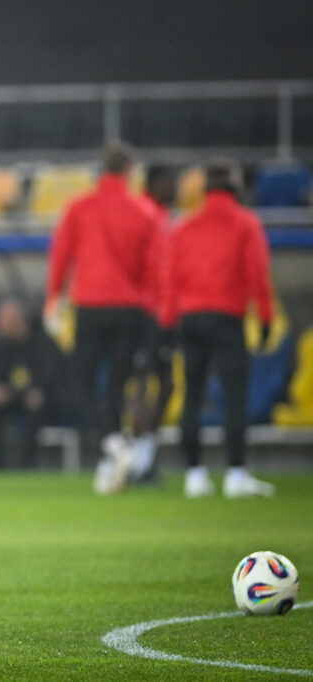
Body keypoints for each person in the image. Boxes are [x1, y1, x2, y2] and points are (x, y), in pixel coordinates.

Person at [45, 143, 162, 494]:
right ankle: (112, 460)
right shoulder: (146, 210)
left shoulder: (80, 207)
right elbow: (155, 268)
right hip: (131, 309)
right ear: (130, 172)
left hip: (91, 305)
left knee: (81, 380)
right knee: (116, 385)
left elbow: (61, 255)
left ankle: (113, 444)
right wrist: (153, 311)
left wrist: (54, 298)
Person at [159, 158, 275, 499]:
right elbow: (257, 273)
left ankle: (195, 475)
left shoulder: (184, 225)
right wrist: (265, 317)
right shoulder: (245, 223)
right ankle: (236, 473)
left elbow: (170, 279)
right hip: (227, 317)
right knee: (235, 397)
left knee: (192, 396)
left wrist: (168, 322)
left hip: (191, 319)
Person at [127, 164, 178, 483]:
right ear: (155, 184)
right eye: (169, 183)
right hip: (145, 313)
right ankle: (134, 461)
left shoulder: (163, 217)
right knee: (143, 384)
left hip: (163, 313)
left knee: (165, 386)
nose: (174, 189)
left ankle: (144, 457)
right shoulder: (144, 215)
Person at [0, 299, 69, 469]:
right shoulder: (0, 345)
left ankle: (27, 463)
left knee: (36, 406)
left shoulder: (43, 343)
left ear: (17, 321)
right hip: (14, 396)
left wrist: (40, 391)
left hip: (47, 400)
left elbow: (54, 376)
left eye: (2, 321)